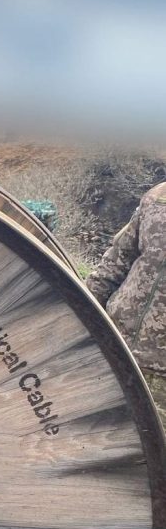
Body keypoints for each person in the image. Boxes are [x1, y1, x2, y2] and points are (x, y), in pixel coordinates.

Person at [86, 181, 166, 427]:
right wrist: (78, 312)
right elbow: (116, 262)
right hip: (115, 351)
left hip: (161, 379)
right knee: (94, 434)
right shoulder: (157, 197)